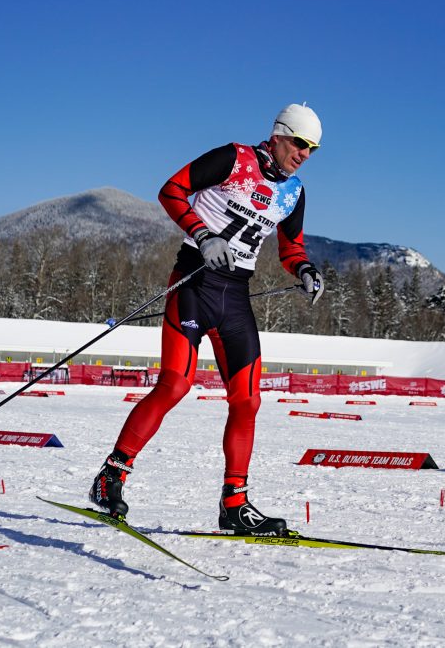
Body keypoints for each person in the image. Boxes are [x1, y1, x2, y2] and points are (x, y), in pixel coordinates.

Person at [90, 104, 325, 534]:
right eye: (299, 143)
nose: (305, 154)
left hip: (235, 296)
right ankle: (111, 477)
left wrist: (305, 270)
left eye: (313, 149)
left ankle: (235, 503)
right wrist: (203, 234)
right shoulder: (234, 158)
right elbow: (171, 190)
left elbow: (291, 247)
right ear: (278, 135)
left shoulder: (294, 192)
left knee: (248, 399)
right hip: (195, 281)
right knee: (176, 384)